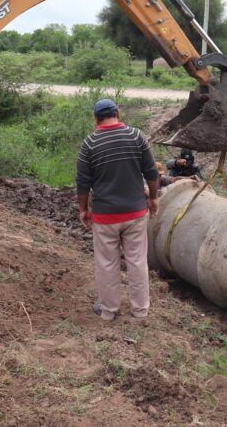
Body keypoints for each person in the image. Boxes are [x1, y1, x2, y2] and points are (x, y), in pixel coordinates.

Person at [76, 99, 159, 322]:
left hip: (105, 217)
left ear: (96, 119)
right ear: (118, 113)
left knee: (106, 264)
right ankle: (140, 311)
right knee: (137, 261)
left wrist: (83, 209)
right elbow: (152, 172)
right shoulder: (136, 136)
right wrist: (153, 198)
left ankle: (109, 311)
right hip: (135, 213)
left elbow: (83, 182)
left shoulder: (90, 143)